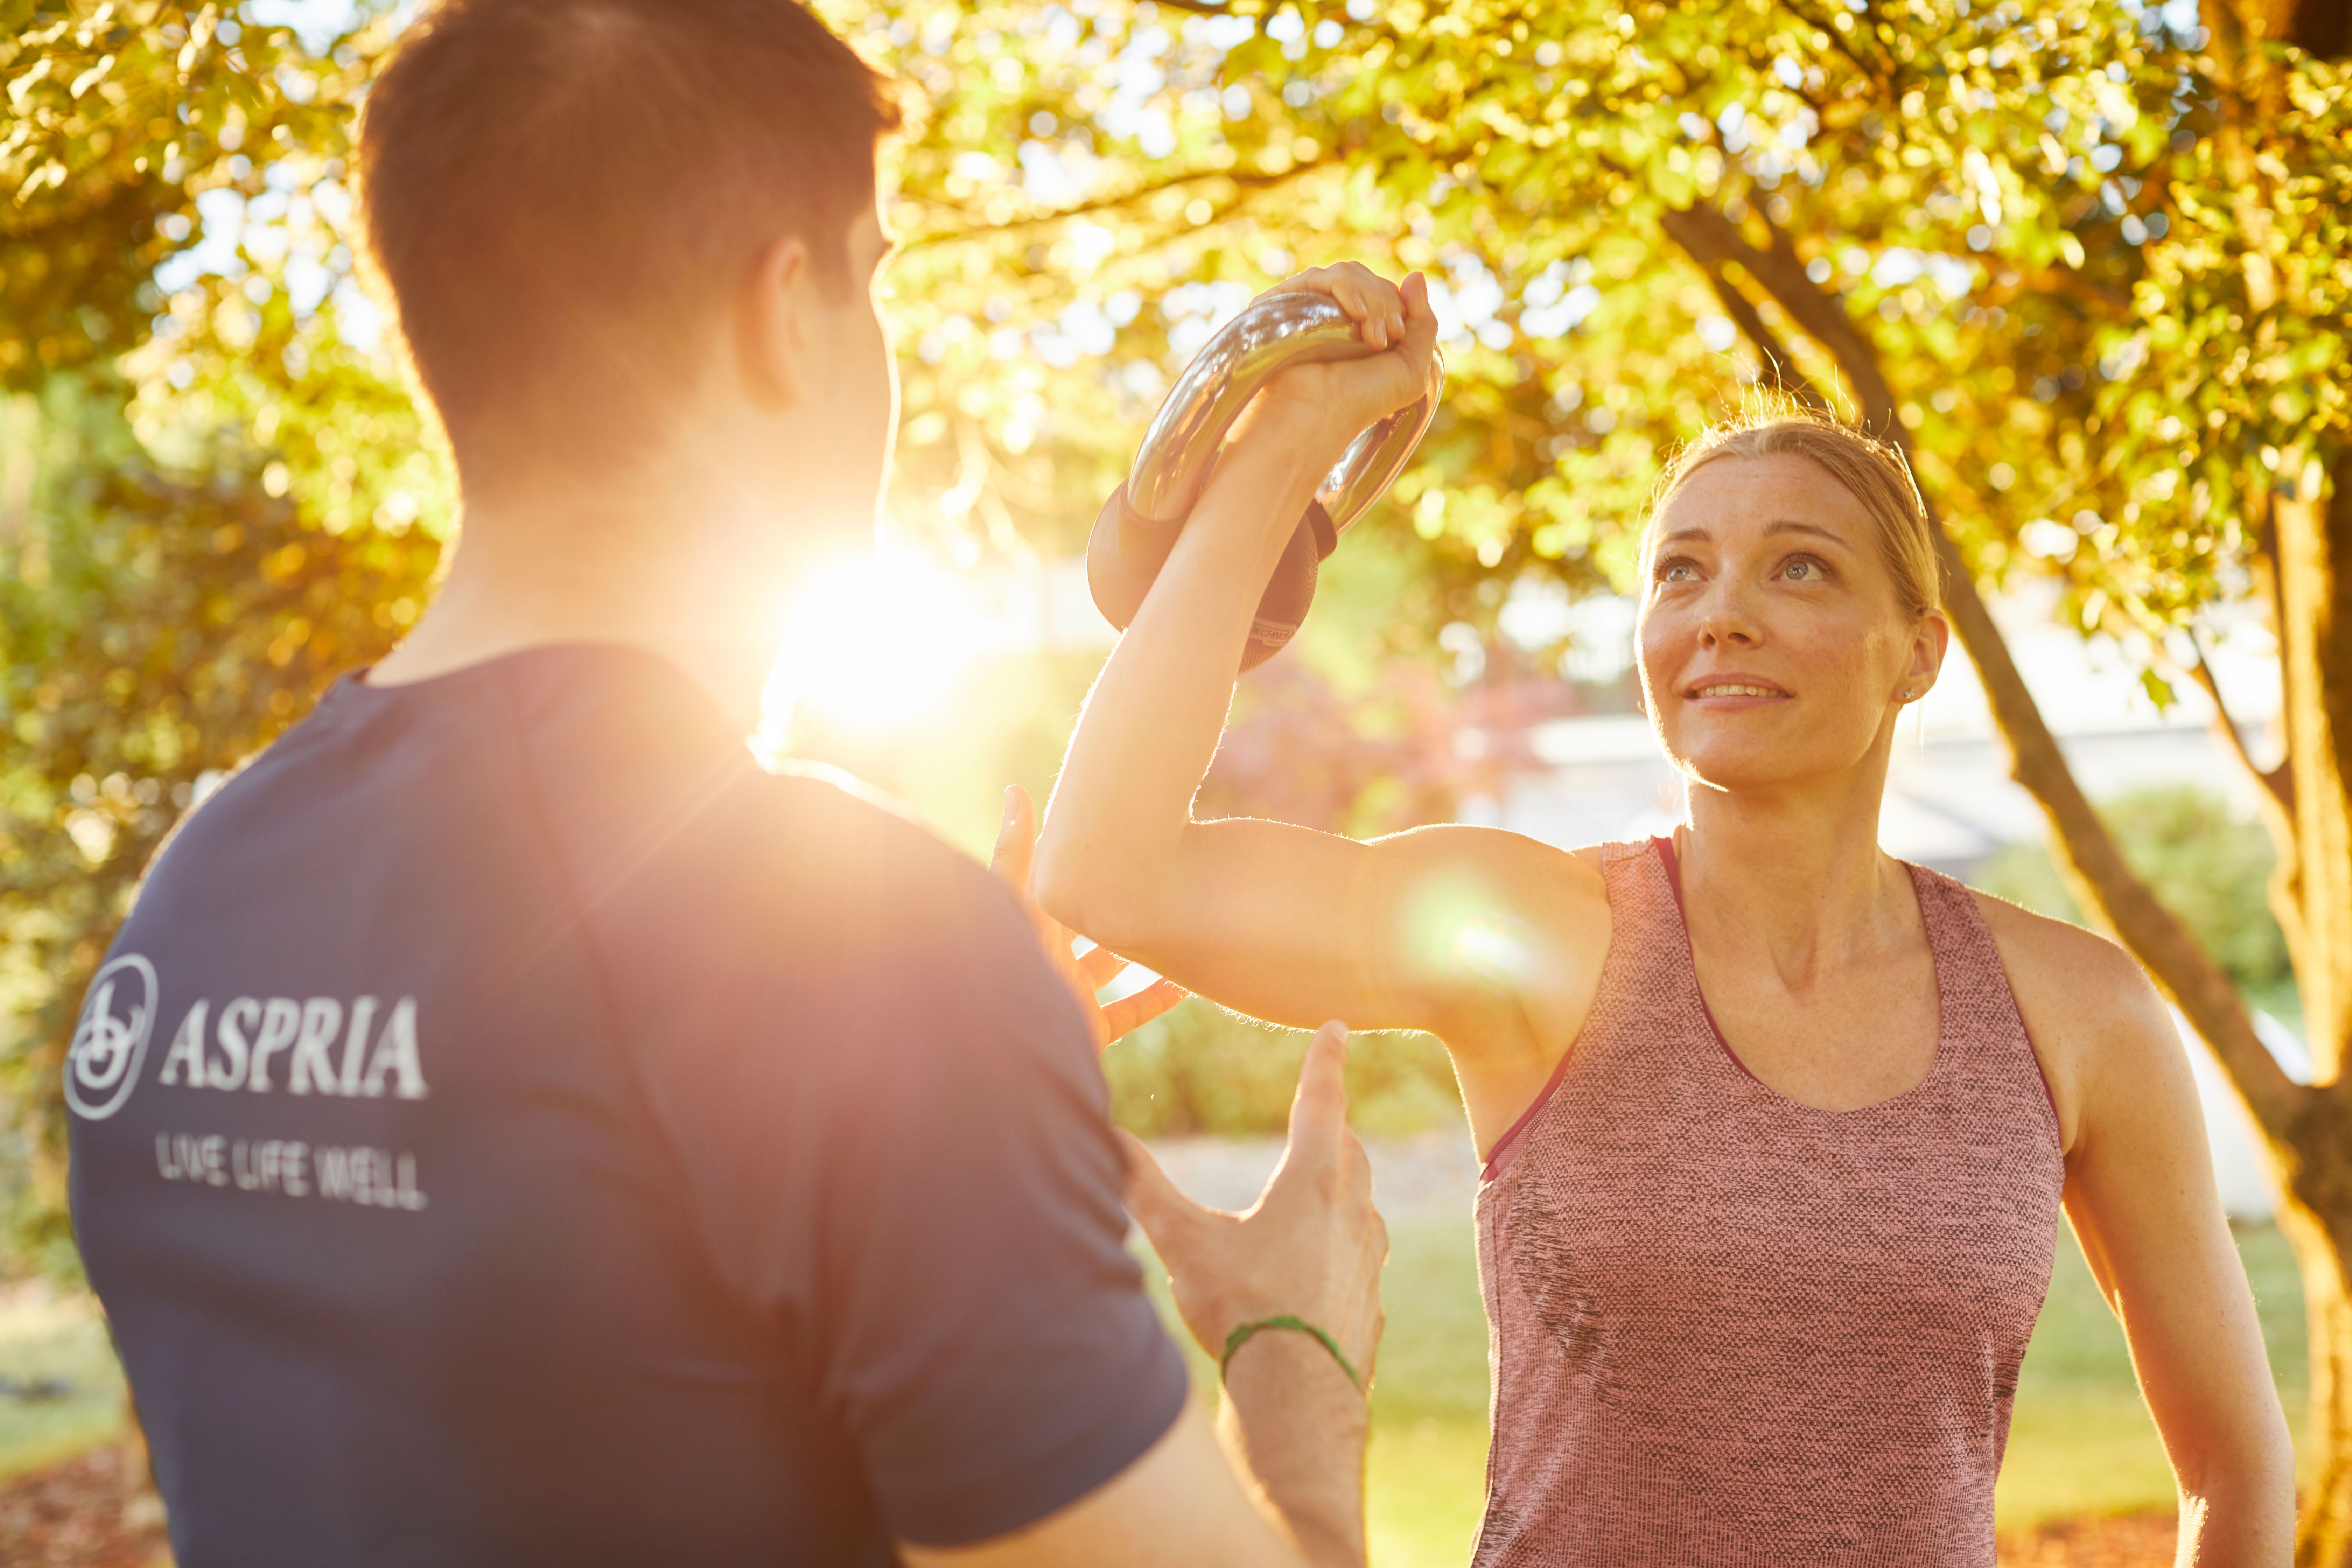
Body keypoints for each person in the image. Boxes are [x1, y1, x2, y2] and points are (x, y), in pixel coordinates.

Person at [60, 3, 1386, 1565]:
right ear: (783, 315)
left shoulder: (198, 896)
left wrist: (919, 1102)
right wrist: (1293, 1362)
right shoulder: (873, 963)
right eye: (871, 281)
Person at [1036, 261, 2299, 1563]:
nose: (1723, 617)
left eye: (1798, 571)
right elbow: (1114, 868)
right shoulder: (1548, 939)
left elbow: (2237, 1463)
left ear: (1917, 651)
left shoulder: (2074, 1014)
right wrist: (1287, 443)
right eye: (1680, 574)